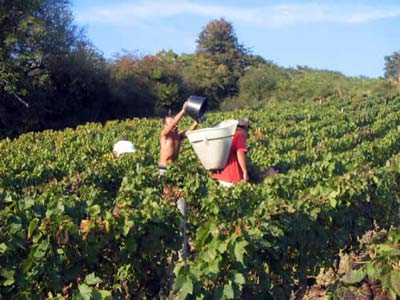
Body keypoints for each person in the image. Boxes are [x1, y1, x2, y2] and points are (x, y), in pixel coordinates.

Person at [159, 101, 198, 175]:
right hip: (164, 166)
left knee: (176, 186)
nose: (173, 124)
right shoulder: (164, 135)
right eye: (170, 123)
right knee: (165, 186)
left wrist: (196, 122)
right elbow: (173, 125)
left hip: (174, 166)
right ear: (165, 126)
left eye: (173, 121)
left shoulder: (178, 135)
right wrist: (183, 111)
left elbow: (189, 132)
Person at [211, 118, 250, 187]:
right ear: (246, 127)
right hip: (232, 175)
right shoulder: (241, 133)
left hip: (218, 174)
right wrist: (245, 171)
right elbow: (240, 152)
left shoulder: (226, 132)